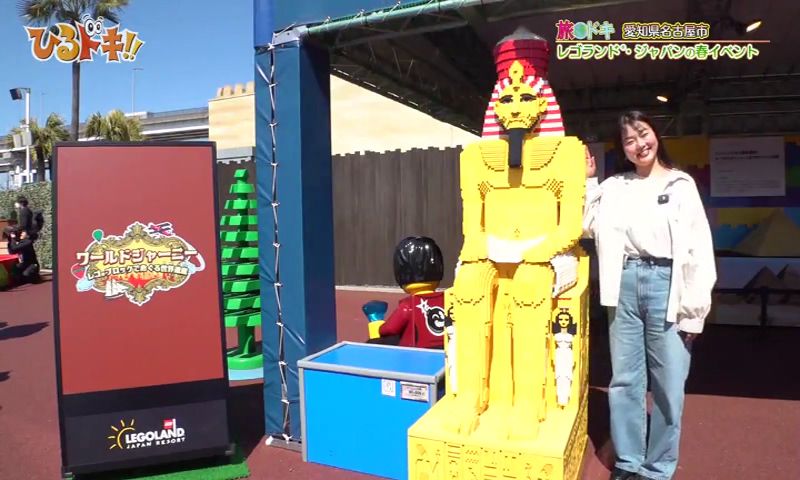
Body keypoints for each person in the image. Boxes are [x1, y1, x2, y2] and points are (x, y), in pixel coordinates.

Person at [583, 110, 717, 480]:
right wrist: (590, 182)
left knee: (669, 383)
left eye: (643, 134)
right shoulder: (615, 186)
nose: (639, 144)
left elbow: (699, 249)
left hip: (667, 283)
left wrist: (694, 312)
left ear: (656, 134)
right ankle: (628, 462)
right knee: (625, 379)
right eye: (629, 140)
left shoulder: (680, 185)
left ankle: (657, 468)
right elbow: (588, 226)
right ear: (622, 149)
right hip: (623, 283)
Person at [367, 236, 446, 349]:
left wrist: (377, 325)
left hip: (415, 352)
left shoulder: (408, 306)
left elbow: (389, 329)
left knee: (375, 343)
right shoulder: (447, 299)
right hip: (446, 349)